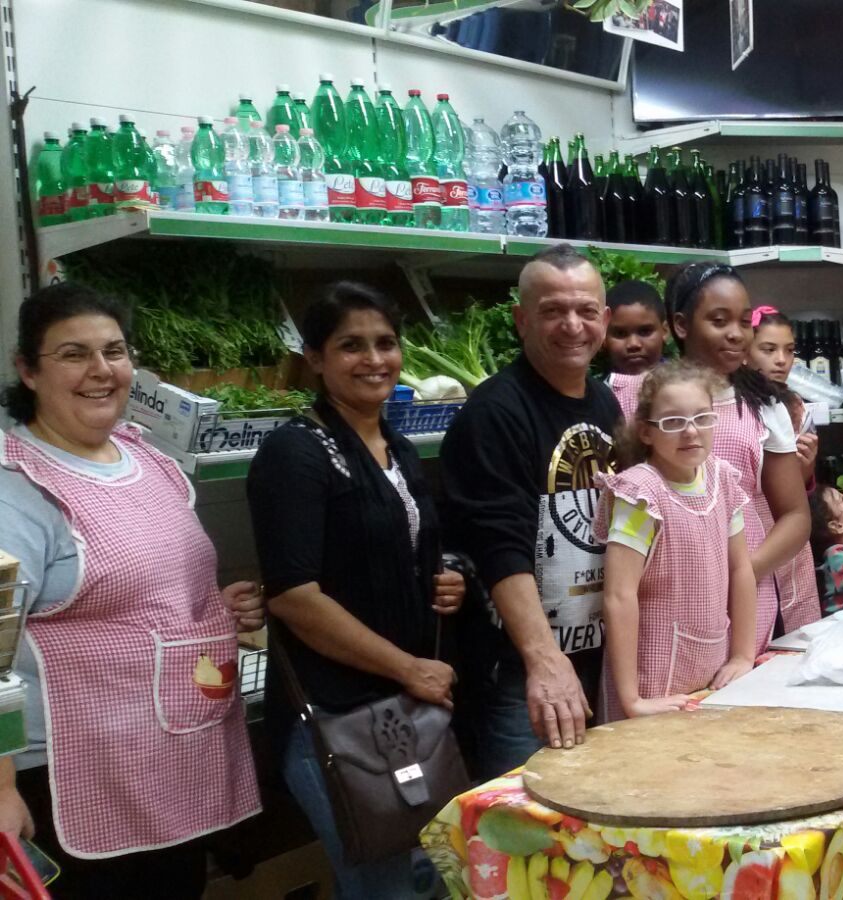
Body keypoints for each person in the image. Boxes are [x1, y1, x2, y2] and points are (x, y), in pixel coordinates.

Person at [0, 283, 260, 897]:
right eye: (73, 354)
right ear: (28, 371)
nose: (101, 370)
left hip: (173, 761)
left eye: (114, 351)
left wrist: (209, 613)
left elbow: (146, 593)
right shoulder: (16, 491)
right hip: (69, 775)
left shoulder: (149, 460)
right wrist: (2, 788)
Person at [247, 283, 465, 897]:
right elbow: (294, 596)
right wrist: (409, 668)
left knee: (428, 877)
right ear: (315, 358)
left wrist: (445, 576)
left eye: (385, 343)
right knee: (384, 886)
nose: (374, 359)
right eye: (351, 346)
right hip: (337, 715)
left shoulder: (396, 447)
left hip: (401, 706)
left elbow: (394, 549)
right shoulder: (295, 453)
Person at [441, 245, 619, 775]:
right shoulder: (494, 413)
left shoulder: (604, 403)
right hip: (524, 673)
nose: (573, 326)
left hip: (595, 655)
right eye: (553, 311)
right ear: (522, 320)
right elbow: (499, 548)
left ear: (605, 320)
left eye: (586, 310)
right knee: (524, 813)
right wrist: (544, 659)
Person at [613, 264, 818, 650]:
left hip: (747, 593)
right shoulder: (639, 398)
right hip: (663, 594)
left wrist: (739, 575)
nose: (736, 334)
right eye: (719, 321)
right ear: (681, 325)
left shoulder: (762, 405)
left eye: (744, 321)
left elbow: (795, 515)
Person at [598, 360, 756, 720]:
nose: (690, 431)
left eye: (702, 418)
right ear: (646, 432)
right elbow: (619, 596)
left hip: (711, 675)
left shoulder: (722, 479)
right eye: (672, 422)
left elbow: (741, 569)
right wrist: (632, 700)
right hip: (650, 683)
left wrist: (742, 654)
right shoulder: (640, 494)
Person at [747, 306, 818, 488]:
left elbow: (799, 487)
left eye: (789, 350)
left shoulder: (795, 406)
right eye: (769, 349)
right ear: (744, 352)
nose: (781, 360)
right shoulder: (732, 404)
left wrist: (806, 468)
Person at [604, 279, 668, 376]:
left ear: (665, 331)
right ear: (603, 337)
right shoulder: (590, 385)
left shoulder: (685, 383)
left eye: (645, 332)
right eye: (620, 334)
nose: (633, 344)